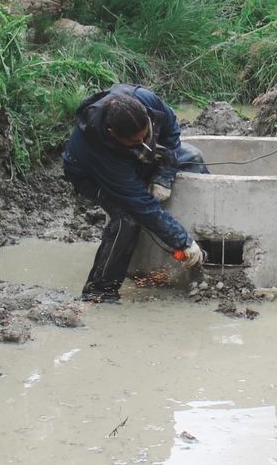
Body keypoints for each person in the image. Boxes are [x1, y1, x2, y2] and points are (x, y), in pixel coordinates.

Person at [62, 84, 207, 302]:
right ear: (113, 134)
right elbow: (141, 205)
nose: (142, 144)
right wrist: (182, 241)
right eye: (133, 143)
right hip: (90, 176)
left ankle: (203, 256)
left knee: (192, 156)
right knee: (127, 219)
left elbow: (171, 133)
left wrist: (164, 174)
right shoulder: (96, 148)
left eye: (145, 137)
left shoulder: (146, 100)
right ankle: (100, 290)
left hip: (129, 160)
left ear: (147, 117)